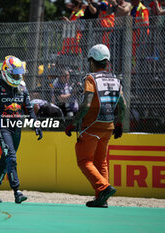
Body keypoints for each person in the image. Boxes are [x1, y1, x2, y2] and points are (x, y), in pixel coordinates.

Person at [64, 44, 126, 208]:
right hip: (109, 126)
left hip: (91, 126)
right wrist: (119, 123)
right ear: (107, 61)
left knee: (84, 160)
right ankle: (102, 199)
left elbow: (86, 104)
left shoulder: (91, 78)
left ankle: (103, 188)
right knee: (102, 163)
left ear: (91, 61)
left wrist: (73, 123)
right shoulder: (115, 79)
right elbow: (123, 105)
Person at [0, 56, 43, 204]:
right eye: (14, 74)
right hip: (3, 127)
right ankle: (17, 191)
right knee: (12, 157)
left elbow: (28, 108)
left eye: (18, 74)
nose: (17, 77)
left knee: (6, 159)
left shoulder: (22, 87)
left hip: (17, 128)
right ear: (6, 72)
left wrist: (36, 124)